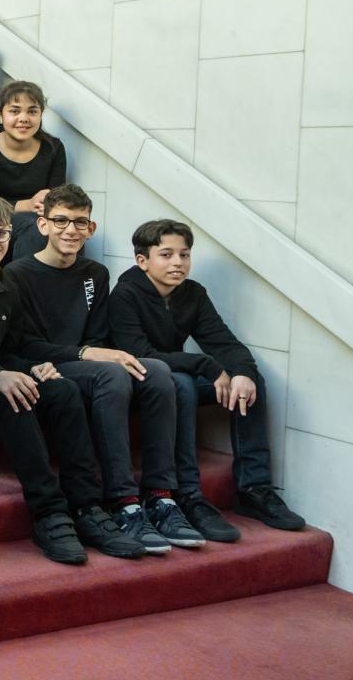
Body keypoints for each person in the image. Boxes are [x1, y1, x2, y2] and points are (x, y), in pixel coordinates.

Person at [0, 190, 147, 563]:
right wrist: (0, 376)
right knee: (15, 398)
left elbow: (15, 346)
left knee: (63, 390)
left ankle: (86, 507)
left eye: (0, 234)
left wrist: (32, 367)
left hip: (1, 378)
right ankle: (49, 512)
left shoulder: (7, 286)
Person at [3, 185, 190, 554]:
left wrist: (93, 351)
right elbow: (23, 344)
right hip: (50, 367)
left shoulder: (96, 274)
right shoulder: (17, 274)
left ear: (91, 229)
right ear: (42, 225)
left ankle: (160, 495)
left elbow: (100, 335)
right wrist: (87, 352)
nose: (70, 230)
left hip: (86, 364)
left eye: (79, 222)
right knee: (114, 373)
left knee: (156, 372)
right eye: (60, 221)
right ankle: (123, 501)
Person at [109, 219, 305, 534]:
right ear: (142, 261)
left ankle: (253, 488)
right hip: (138, 384)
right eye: (166, 254)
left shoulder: (193, 294)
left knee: (250, 382)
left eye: (184, 255)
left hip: (177, 378)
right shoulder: (124, 295)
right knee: (182, 382)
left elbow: (223, 342)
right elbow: (141, 355)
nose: (178, 263)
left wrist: (242, 372)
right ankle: (188, 493)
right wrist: (204, 365)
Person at [0, 80, 66, 261]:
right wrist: (25, 205)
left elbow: (57, 195)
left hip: (41, 215)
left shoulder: (53, 148)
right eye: (14, 111)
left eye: (32, 111)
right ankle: (22, 284)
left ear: (41, 115)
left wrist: (48, 199)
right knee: (34, 226)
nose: (24, 118)